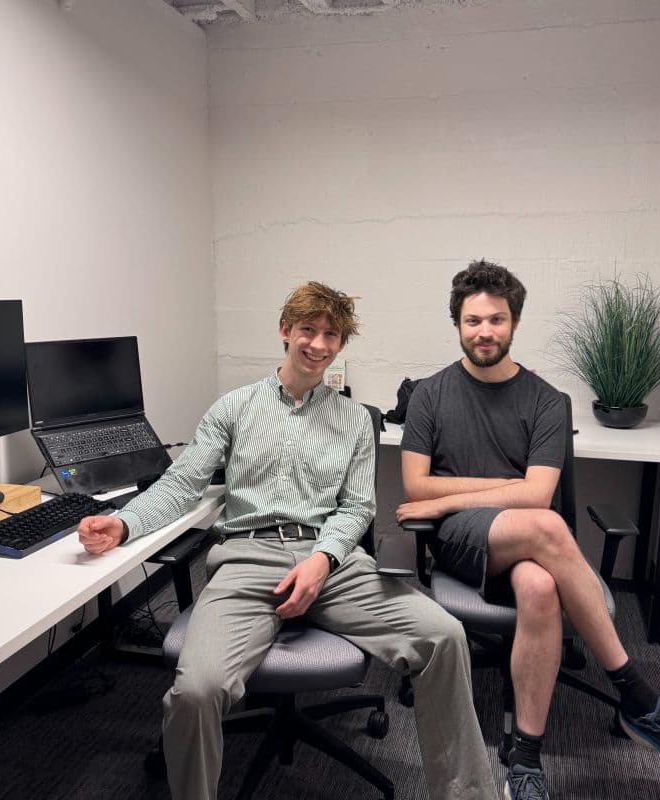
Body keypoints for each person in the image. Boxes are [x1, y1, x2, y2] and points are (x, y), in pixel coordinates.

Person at [78, 281, 498, 800]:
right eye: (308, 330)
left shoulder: (354, 421)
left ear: (341, 344)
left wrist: (323, 559)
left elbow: (357, 508)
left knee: (445, 635)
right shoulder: (233, 408)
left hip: (333, 564)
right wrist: (123, 523)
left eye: (331, 335)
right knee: (196, 692)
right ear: (284, 330)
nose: (318, 344)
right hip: (247, 560)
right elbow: (181, 485)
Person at [396, 261, 660, 800]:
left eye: (496, 320)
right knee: (549, 526)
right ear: (457, 324)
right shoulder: (429, 395)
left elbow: (535, 496)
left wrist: (450, 495)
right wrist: (486, 493)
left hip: (526, 535)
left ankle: (525, 759)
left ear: (514, 322)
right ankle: (637, 695)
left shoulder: (547, 401)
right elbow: (416, 486)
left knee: (539, 584)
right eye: (473, 321)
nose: (484, 332)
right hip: (461, 540)